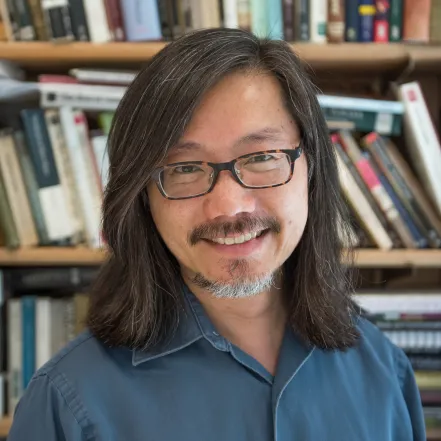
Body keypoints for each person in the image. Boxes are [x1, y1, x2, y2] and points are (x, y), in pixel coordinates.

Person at [8, 28, 425, 441]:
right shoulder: (66, 403)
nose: (229, 207)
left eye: (262, 157)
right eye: (184, 168)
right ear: (142, 196)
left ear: (312, 169)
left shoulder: (385, 371)